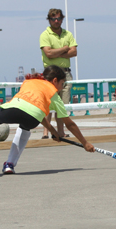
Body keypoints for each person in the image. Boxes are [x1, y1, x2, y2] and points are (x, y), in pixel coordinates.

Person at [0, 65, 94, 173]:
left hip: (16, 108)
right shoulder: (54, 95)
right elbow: (69, 124)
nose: (62, 88)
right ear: (55, 80)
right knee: (25, 128)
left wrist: (53, 132)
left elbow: (30, 107)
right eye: (62, 84)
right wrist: (85, 143)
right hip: (33, 118)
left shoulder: (29, 81)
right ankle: (10, 164)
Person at [40, 8, 77, 139]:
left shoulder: (68, 34)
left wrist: (57, 52)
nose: (56, 21)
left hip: (66, 73)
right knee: (48, 104)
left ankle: (60, 132)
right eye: (53, 19)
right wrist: (65, 49)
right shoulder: (45, 35)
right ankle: (46, 132)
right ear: (49, 20)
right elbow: (48, 54)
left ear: (62, 19)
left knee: (62, 105)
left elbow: (74, 52)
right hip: (51, 74)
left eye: (59, 18)